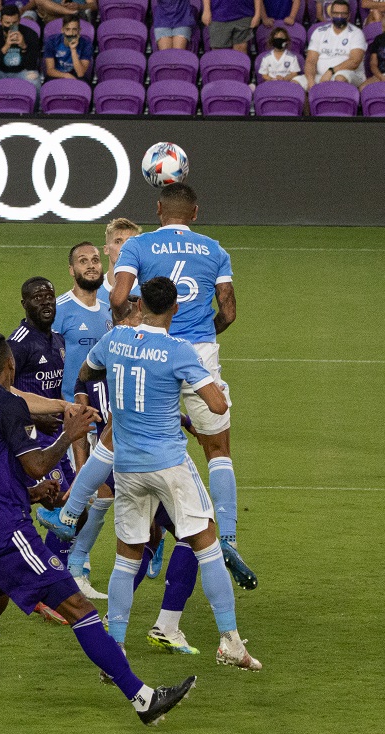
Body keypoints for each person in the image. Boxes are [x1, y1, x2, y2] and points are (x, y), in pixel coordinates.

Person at [0, 331, 197, 726]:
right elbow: (36, 463)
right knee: (79, 608)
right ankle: (143, 699)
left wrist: (34, 493)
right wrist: (68, 438)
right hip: (8, 535)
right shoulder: (9, 404)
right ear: (10, 366)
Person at [80, 277, 262, 671]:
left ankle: (116, 648)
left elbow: (87, 372)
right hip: (168, 466)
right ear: (175, 309)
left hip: (126, 466)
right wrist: (209, 384)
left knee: (127, 557)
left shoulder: (114, 340)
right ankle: (230, 641)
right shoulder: (179, 350)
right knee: (207, 545)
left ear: (140, 302)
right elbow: (215, 406)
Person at [109, 183, 259, 591]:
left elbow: (120, 296)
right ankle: (225, 535)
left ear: (158, 210)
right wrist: (203, 336)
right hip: (198, 355)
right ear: (194, 213)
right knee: (217, 449)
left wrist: (133, 328)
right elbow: (228, 308)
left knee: (123, 438)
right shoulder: (215, 249)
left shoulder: (138, 245)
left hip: (149, 348)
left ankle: (74, 519)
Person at [8, 273, 107, 602]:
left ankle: (56, 582)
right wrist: (39, 415)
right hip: (27, 440)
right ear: (24, 304)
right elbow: (0, 390)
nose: (46, 302)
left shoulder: (57, 341)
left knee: (73, 513)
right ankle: (54, 582)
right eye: (37, 298)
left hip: (51, 436)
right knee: (66, 510)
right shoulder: (19, 343)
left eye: (49, 296)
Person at [50, 245, 114, 597]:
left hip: (101, 415)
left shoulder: (109, 310)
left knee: (101, 496)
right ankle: (63, 569)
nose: (90, 266)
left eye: (94, 260)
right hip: (71, 416)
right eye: (82, 262)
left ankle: (75, 566)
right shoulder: (60, 310)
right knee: (78, 491)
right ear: (71, 270)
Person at [299, 0, 366, 89]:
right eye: (336, 13)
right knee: (296, 83)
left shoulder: (356, 33)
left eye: (343, 14)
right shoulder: (319, 32)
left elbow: (355, 61)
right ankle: (312, 102)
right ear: (330, 14)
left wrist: (331, 71)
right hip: (321, 75)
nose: (339, 16)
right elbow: (310, 61)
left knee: (339, 78)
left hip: (349, 74)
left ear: (349, 15)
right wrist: (311, 81)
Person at [0, 4, 42, 91]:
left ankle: (35, 105)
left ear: (19, 21)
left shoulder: (30, 34)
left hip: (22, 71)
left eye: (14, 23)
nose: (11, 26)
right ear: (0, 21)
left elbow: (32, 66)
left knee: (34, 80)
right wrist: (5, 47)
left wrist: (23, 46)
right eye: (7, 23)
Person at [42, 13, 91, 81]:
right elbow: (50, 70)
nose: (71, 33)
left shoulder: (86, 43)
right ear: (62, 30)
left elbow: (80, 73)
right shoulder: (51, 41)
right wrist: (66, 75)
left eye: (74, 29)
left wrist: (73, 49)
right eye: (67, 29)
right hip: (57, 74)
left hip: (76, 75)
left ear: (79, 30)